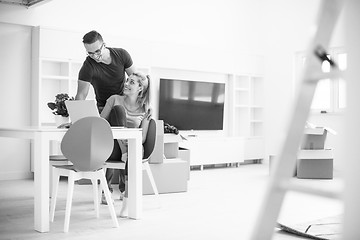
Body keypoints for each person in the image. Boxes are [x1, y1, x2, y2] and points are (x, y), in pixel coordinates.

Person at [75, 30, 136, 200]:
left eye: (97, 51)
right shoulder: (88, 66)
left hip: (124, 106)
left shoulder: (121, 55)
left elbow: (137, 80)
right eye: (90, 53)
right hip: (105, 108)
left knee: (124, 144)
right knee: (110, 147)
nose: (94, 56)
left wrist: (144, 104)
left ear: (104, 44)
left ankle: (125, 189)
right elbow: (81, 95)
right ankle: (106, 190)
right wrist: (77, 119)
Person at [100, 71, 151, 217]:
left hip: (133, 147)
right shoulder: (114, 99)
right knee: (118, 111)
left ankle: (127, 203)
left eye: (132, 82)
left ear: (140, 88)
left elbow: (142, 137)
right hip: (114, 147)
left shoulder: (145, 109)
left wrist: (129, 144)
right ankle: (125, 152)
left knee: (133, 153)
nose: (126, 84)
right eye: (127, 80)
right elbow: (100, 123)